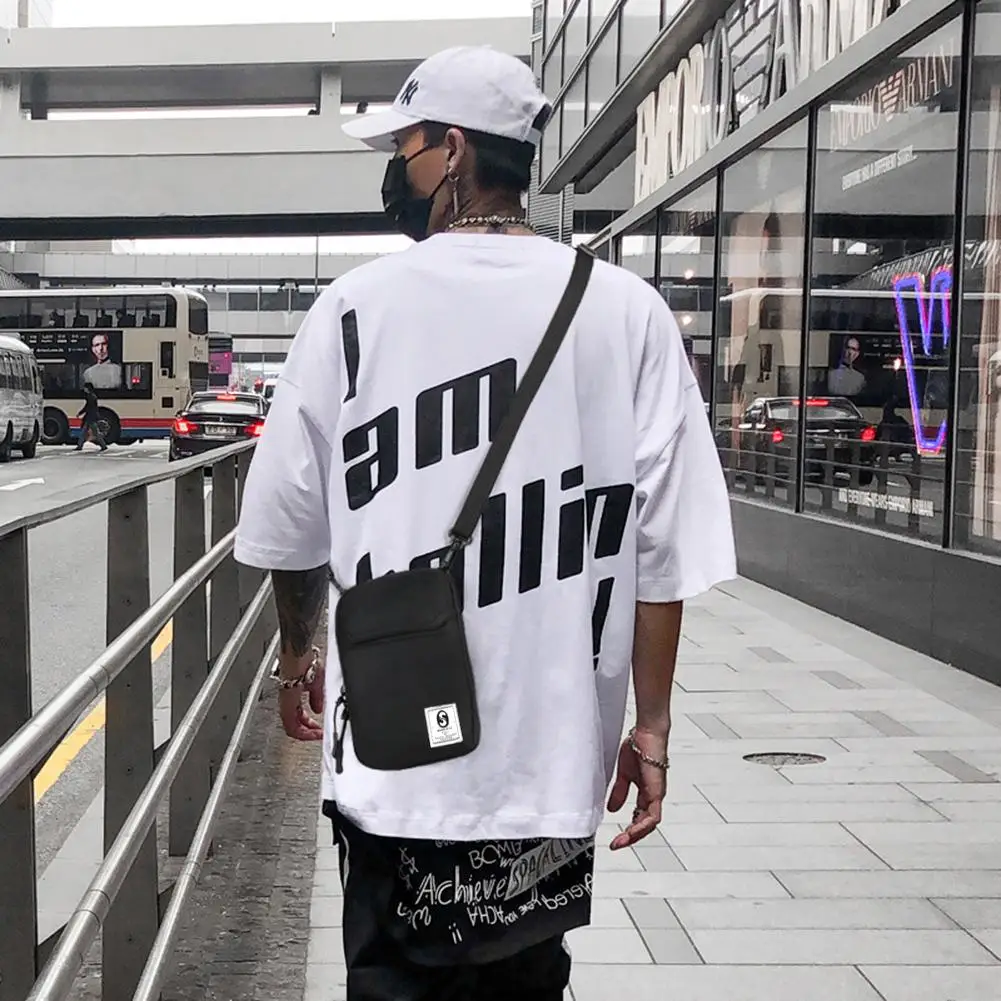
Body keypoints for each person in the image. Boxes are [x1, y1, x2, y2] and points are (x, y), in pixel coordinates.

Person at [235, 45, 735, 1001]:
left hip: (394, 747)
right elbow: (662, 553)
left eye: (406, 148)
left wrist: (299, 657)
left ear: (454, 150)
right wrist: (651, 725)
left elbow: (290, 527)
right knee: (527, 984)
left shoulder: (351, 311)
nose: (397, 172)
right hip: (548, 757)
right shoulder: (627, 312)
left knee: (391, 982)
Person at [75, 382, 108, 452]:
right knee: (85, 432)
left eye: (85, 388)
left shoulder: (91, 397)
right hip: (91, 417)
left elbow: (88, 407)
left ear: (88, 388)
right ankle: (79, 446)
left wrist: (80, 413)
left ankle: (103, 446)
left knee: (93, 433)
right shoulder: (92, 396)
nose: (84, 389)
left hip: (91, 418)